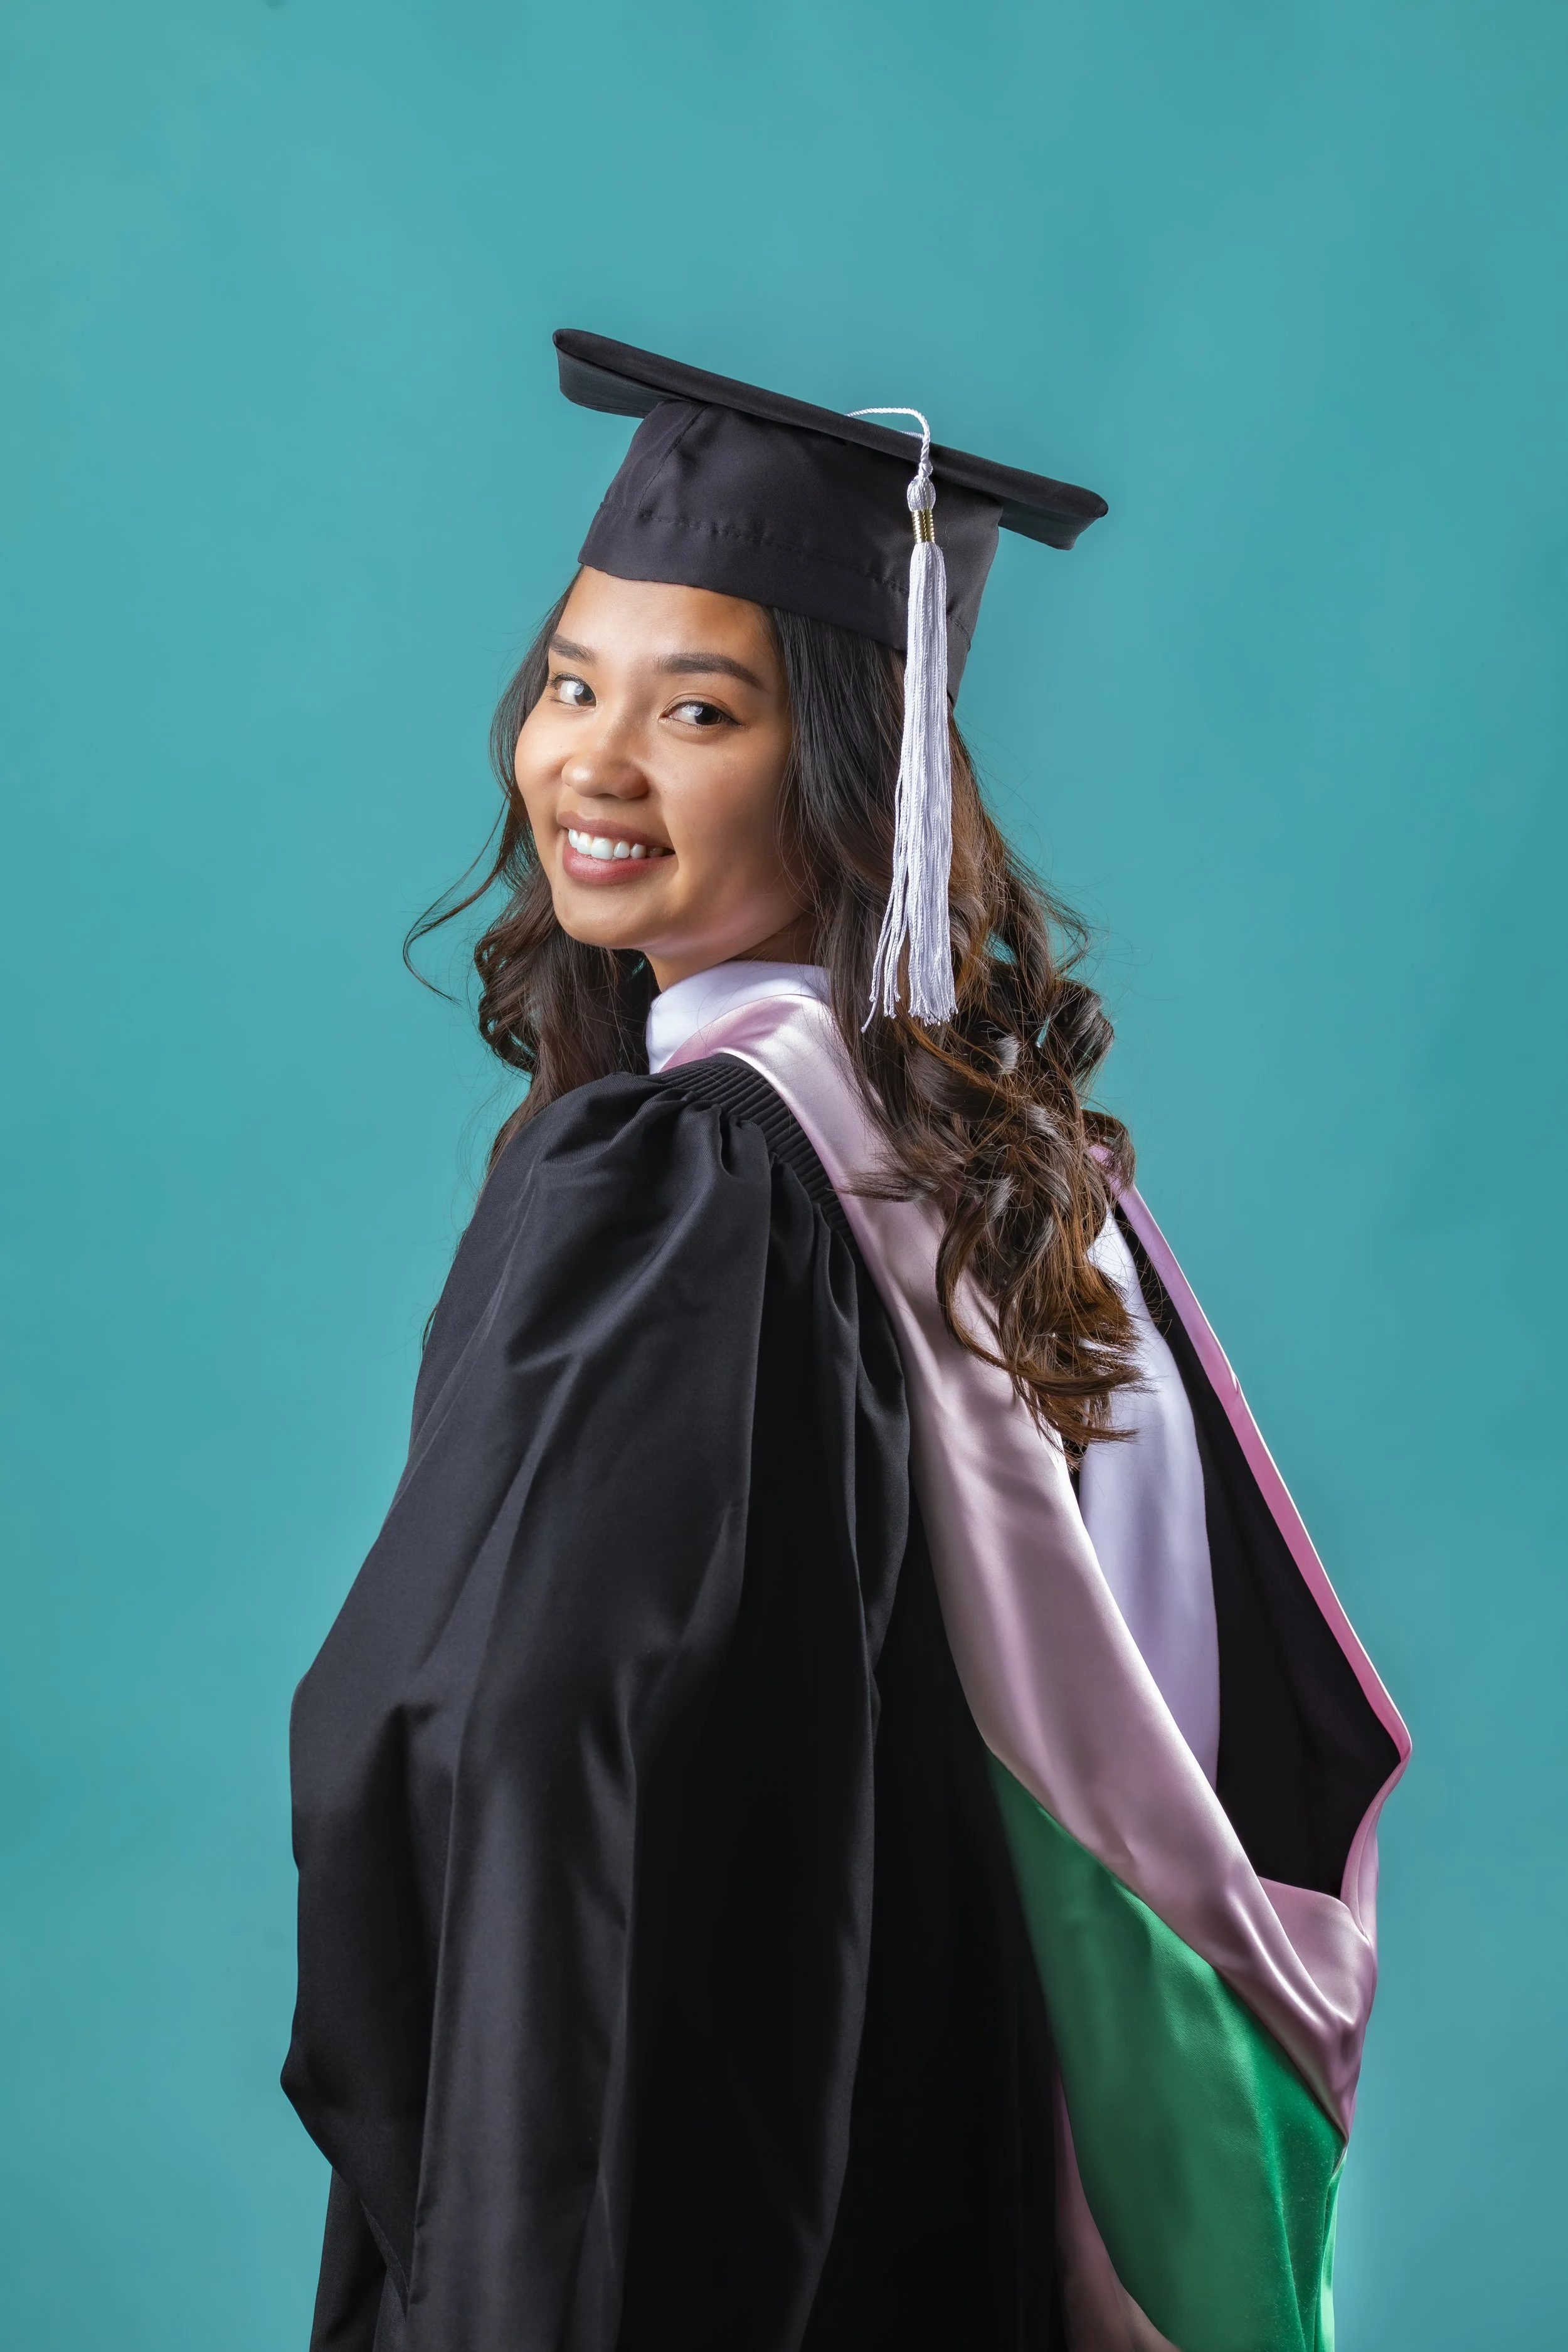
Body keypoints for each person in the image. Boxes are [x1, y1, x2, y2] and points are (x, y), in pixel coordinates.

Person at [283, 332, 1409, 2352]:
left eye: (693, 708)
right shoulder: (1008, 1164)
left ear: (838, 762)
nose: (590, 763)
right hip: (961, 2173)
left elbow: (505, 1726)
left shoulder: (685, 1173)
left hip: (706, 2201)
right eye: (567, 683)